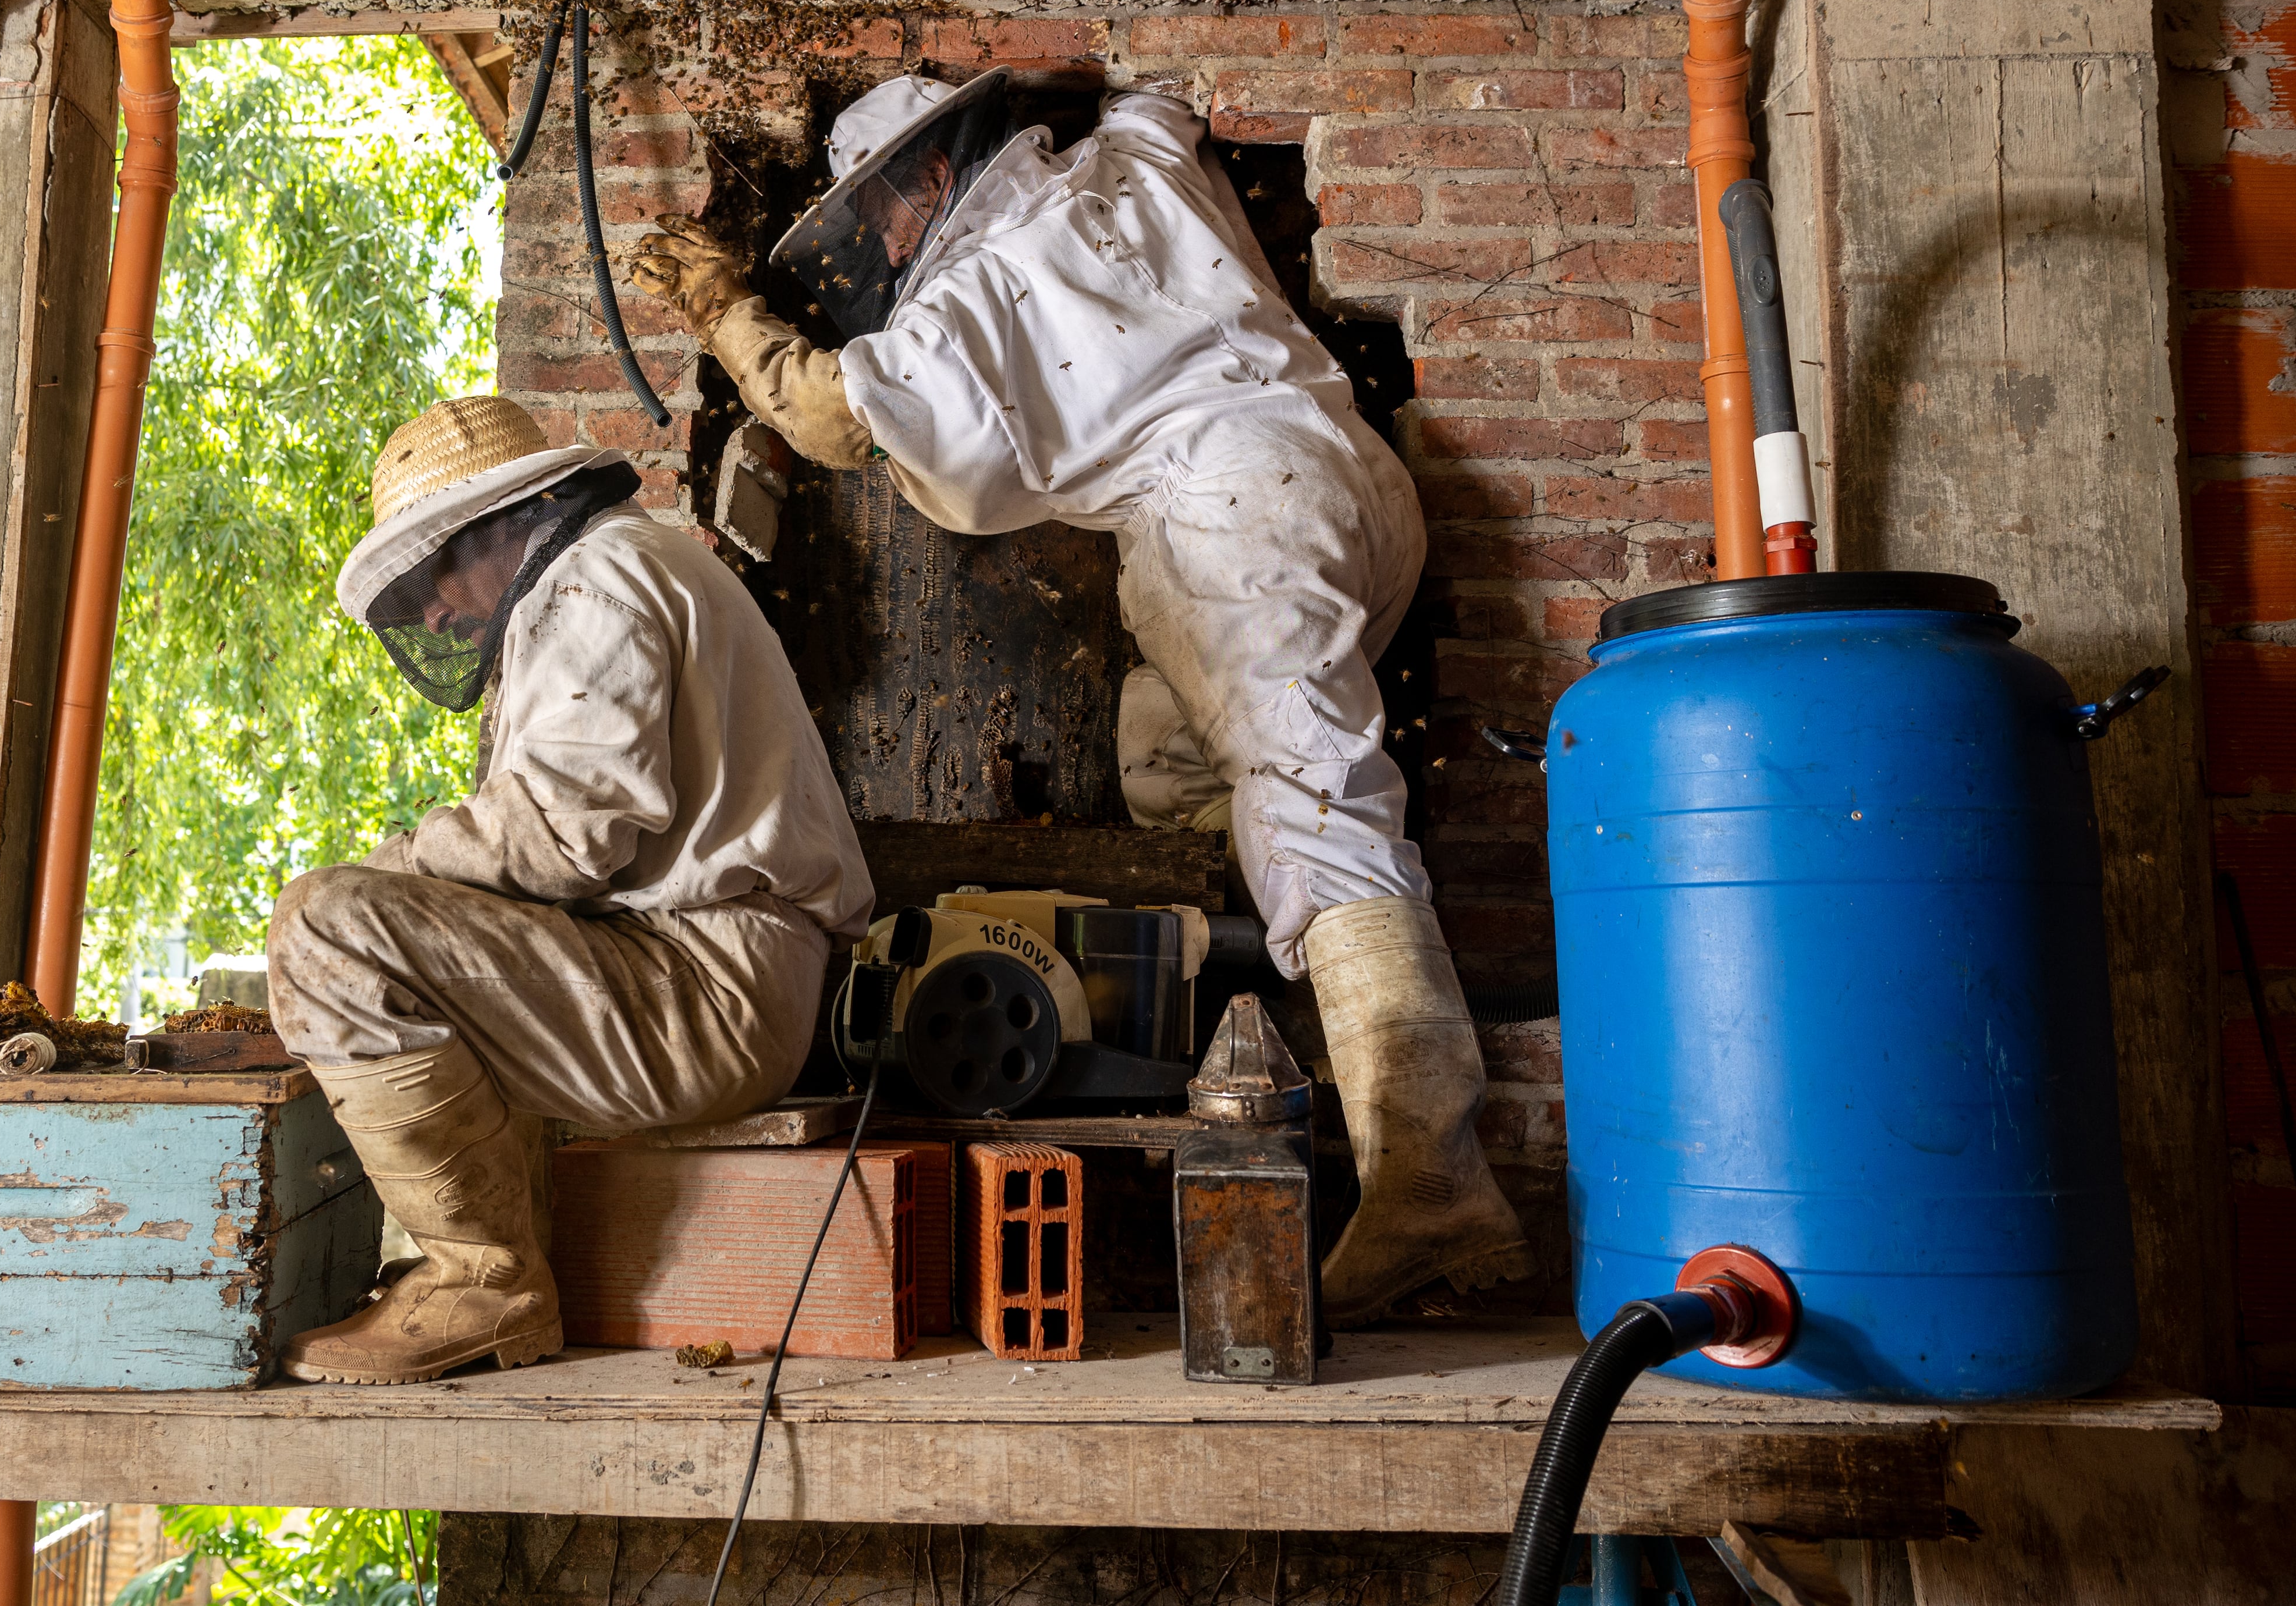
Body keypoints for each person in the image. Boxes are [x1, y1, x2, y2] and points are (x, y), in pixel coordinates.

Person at [631, 74, 1527, 1323]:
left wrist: (726, 309)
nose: (884, 243)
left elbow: (833, 417)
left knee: (1321, 812)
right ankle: (1312, 1029)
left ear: (933, 173)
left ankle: (1431, 1185)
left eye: (883, 209)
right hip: (1353, 482)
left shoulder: (966, 301)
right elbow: (1163, 101)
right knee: (1170, 750)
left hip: (1234, 519)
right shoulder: (1132, 158)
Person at [263, 395, 872, 1384]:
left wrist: (387, 870)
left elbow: (565, 833)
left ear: (503, 523)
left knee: (325, 931)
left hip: (712, 984)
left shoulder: (597, 584)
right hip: (713, 966)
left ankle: (486, 1282)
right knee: (355, 921)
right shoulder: (613, 572)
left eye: (434, 574)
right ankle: (486, 1263)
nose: (432, 610)